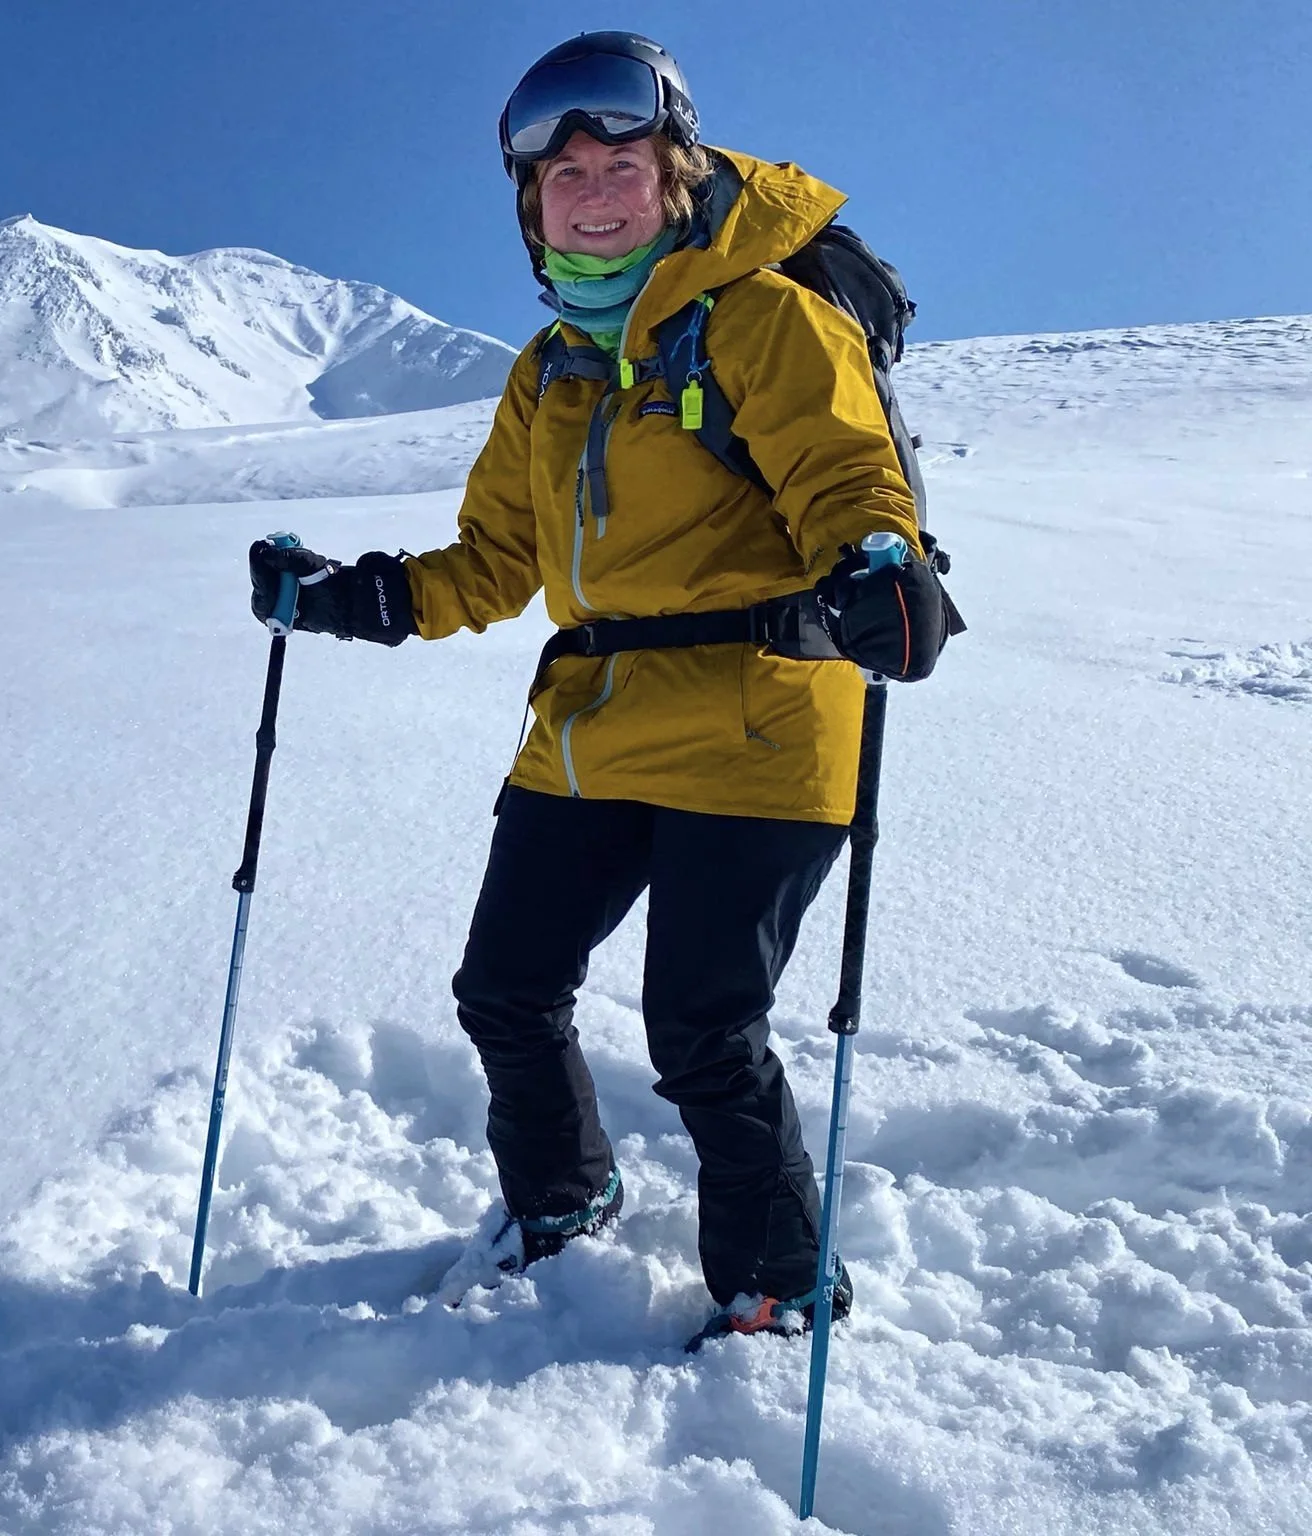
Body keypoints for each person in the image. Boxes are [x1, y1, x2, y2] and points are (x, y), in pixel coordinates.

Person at [249, 31, 951, 1342]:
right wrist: (353, 596)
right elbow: (499, 560)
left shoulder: (762, 317)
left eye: (620, 157)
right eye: (561, 172)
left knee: (703, 1030)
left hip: (762, 722)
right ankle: (564, 1201)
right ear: (533, 205)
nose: (592, 186)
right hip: (592, 732)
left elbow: (850, 481)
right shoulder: (550, 373)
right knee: (505, 989)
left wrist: (879, 567)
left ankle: (778, 1282)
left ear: (675, 172)